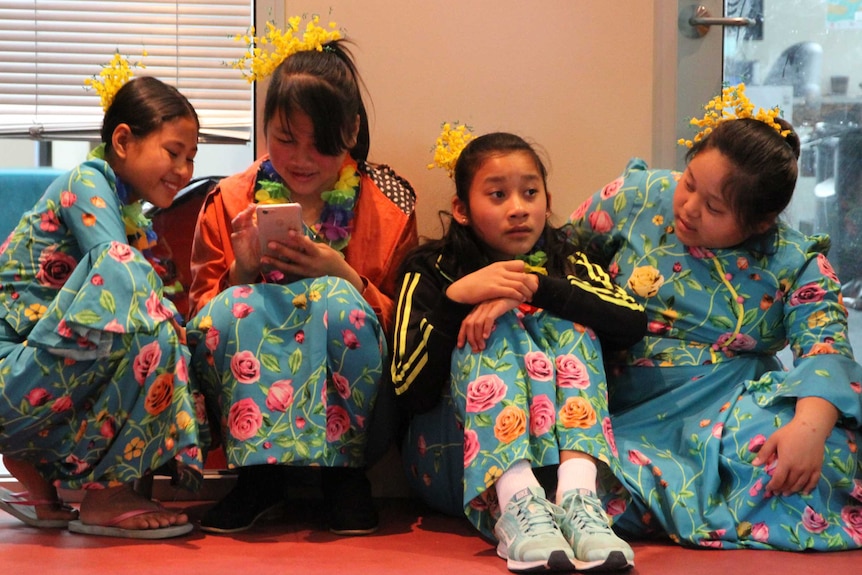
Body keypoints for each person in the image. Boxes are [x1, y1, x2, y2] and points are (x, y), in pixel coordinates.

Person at [568, 85, 862, 551]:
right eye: (689, 183)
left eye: (714, 208)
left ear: (761, 222)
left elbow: (825, 348)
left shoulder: (794, 259)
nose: (687, 207)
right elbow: (558, 256)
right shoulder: (636, 197)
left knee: (825, 454)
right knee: (564, 455)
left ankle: (644, 502)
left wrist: (807, 430)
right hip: (616, 399)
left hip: (728, 404)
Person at [185, 17, 418, 536]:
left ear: (352, 132)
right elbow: (198, 322)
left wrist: (345, 275)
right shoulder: (229, 200)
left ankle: (342, 476)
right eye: (286, 140)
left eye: (322, 143)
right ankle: (258, 478)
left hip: (363, 422)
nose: (302, 159)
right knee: (235, 305)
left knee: (336, 300)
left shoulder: (391, 208)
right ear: (266, 129)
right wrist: (242, 271)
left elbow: (409, 329)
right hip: (243, 406)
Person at [390, 131, 646, 573]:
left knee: (571, 321)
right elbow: (407, 390)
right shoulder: (430, 268)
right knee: (494, 325)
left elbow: (631, 323)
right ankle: (517, 501)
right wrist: (456, 303)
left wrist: (536, 288)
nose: (518, 208)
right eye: (497, 194)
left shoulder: (569, 258)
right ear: (462, 210)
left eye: (531, 193)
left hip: (560, 468)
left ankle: (581, 500)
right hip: (456, 464)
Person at [0, 75, 208, 539]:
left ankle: (32, 467)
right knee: (145, 314)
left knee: (159, 317)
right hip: (9, 374)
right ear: (122, 141)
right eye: (173, 152)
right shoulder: (86, 180)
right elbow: (120, 275)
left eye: (192, 158)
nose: (184, 169)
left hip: (21, 375)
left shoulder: (125, 206)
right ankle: (107, 494)